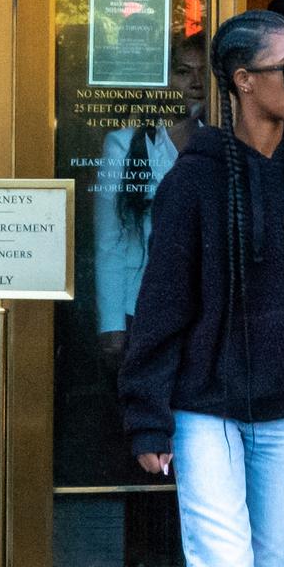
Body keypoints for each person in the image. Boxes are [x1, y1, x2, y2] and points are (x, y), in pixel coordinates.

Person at [118, 10, 284, 567]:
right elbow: (162, 303)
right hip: (206, 410)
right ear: (244, 80)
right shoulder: (195, 179)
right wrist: (148, 417)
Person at [95, 32, 206, 375]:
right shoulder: (125, 143)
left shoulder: (217, 139)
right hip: (139, 303)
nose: (196, 82)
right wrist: (112, 323)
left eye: (204, 71)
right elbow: (109, 240)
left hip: (203, 307)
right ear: (162, 79)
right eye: (183, 72)